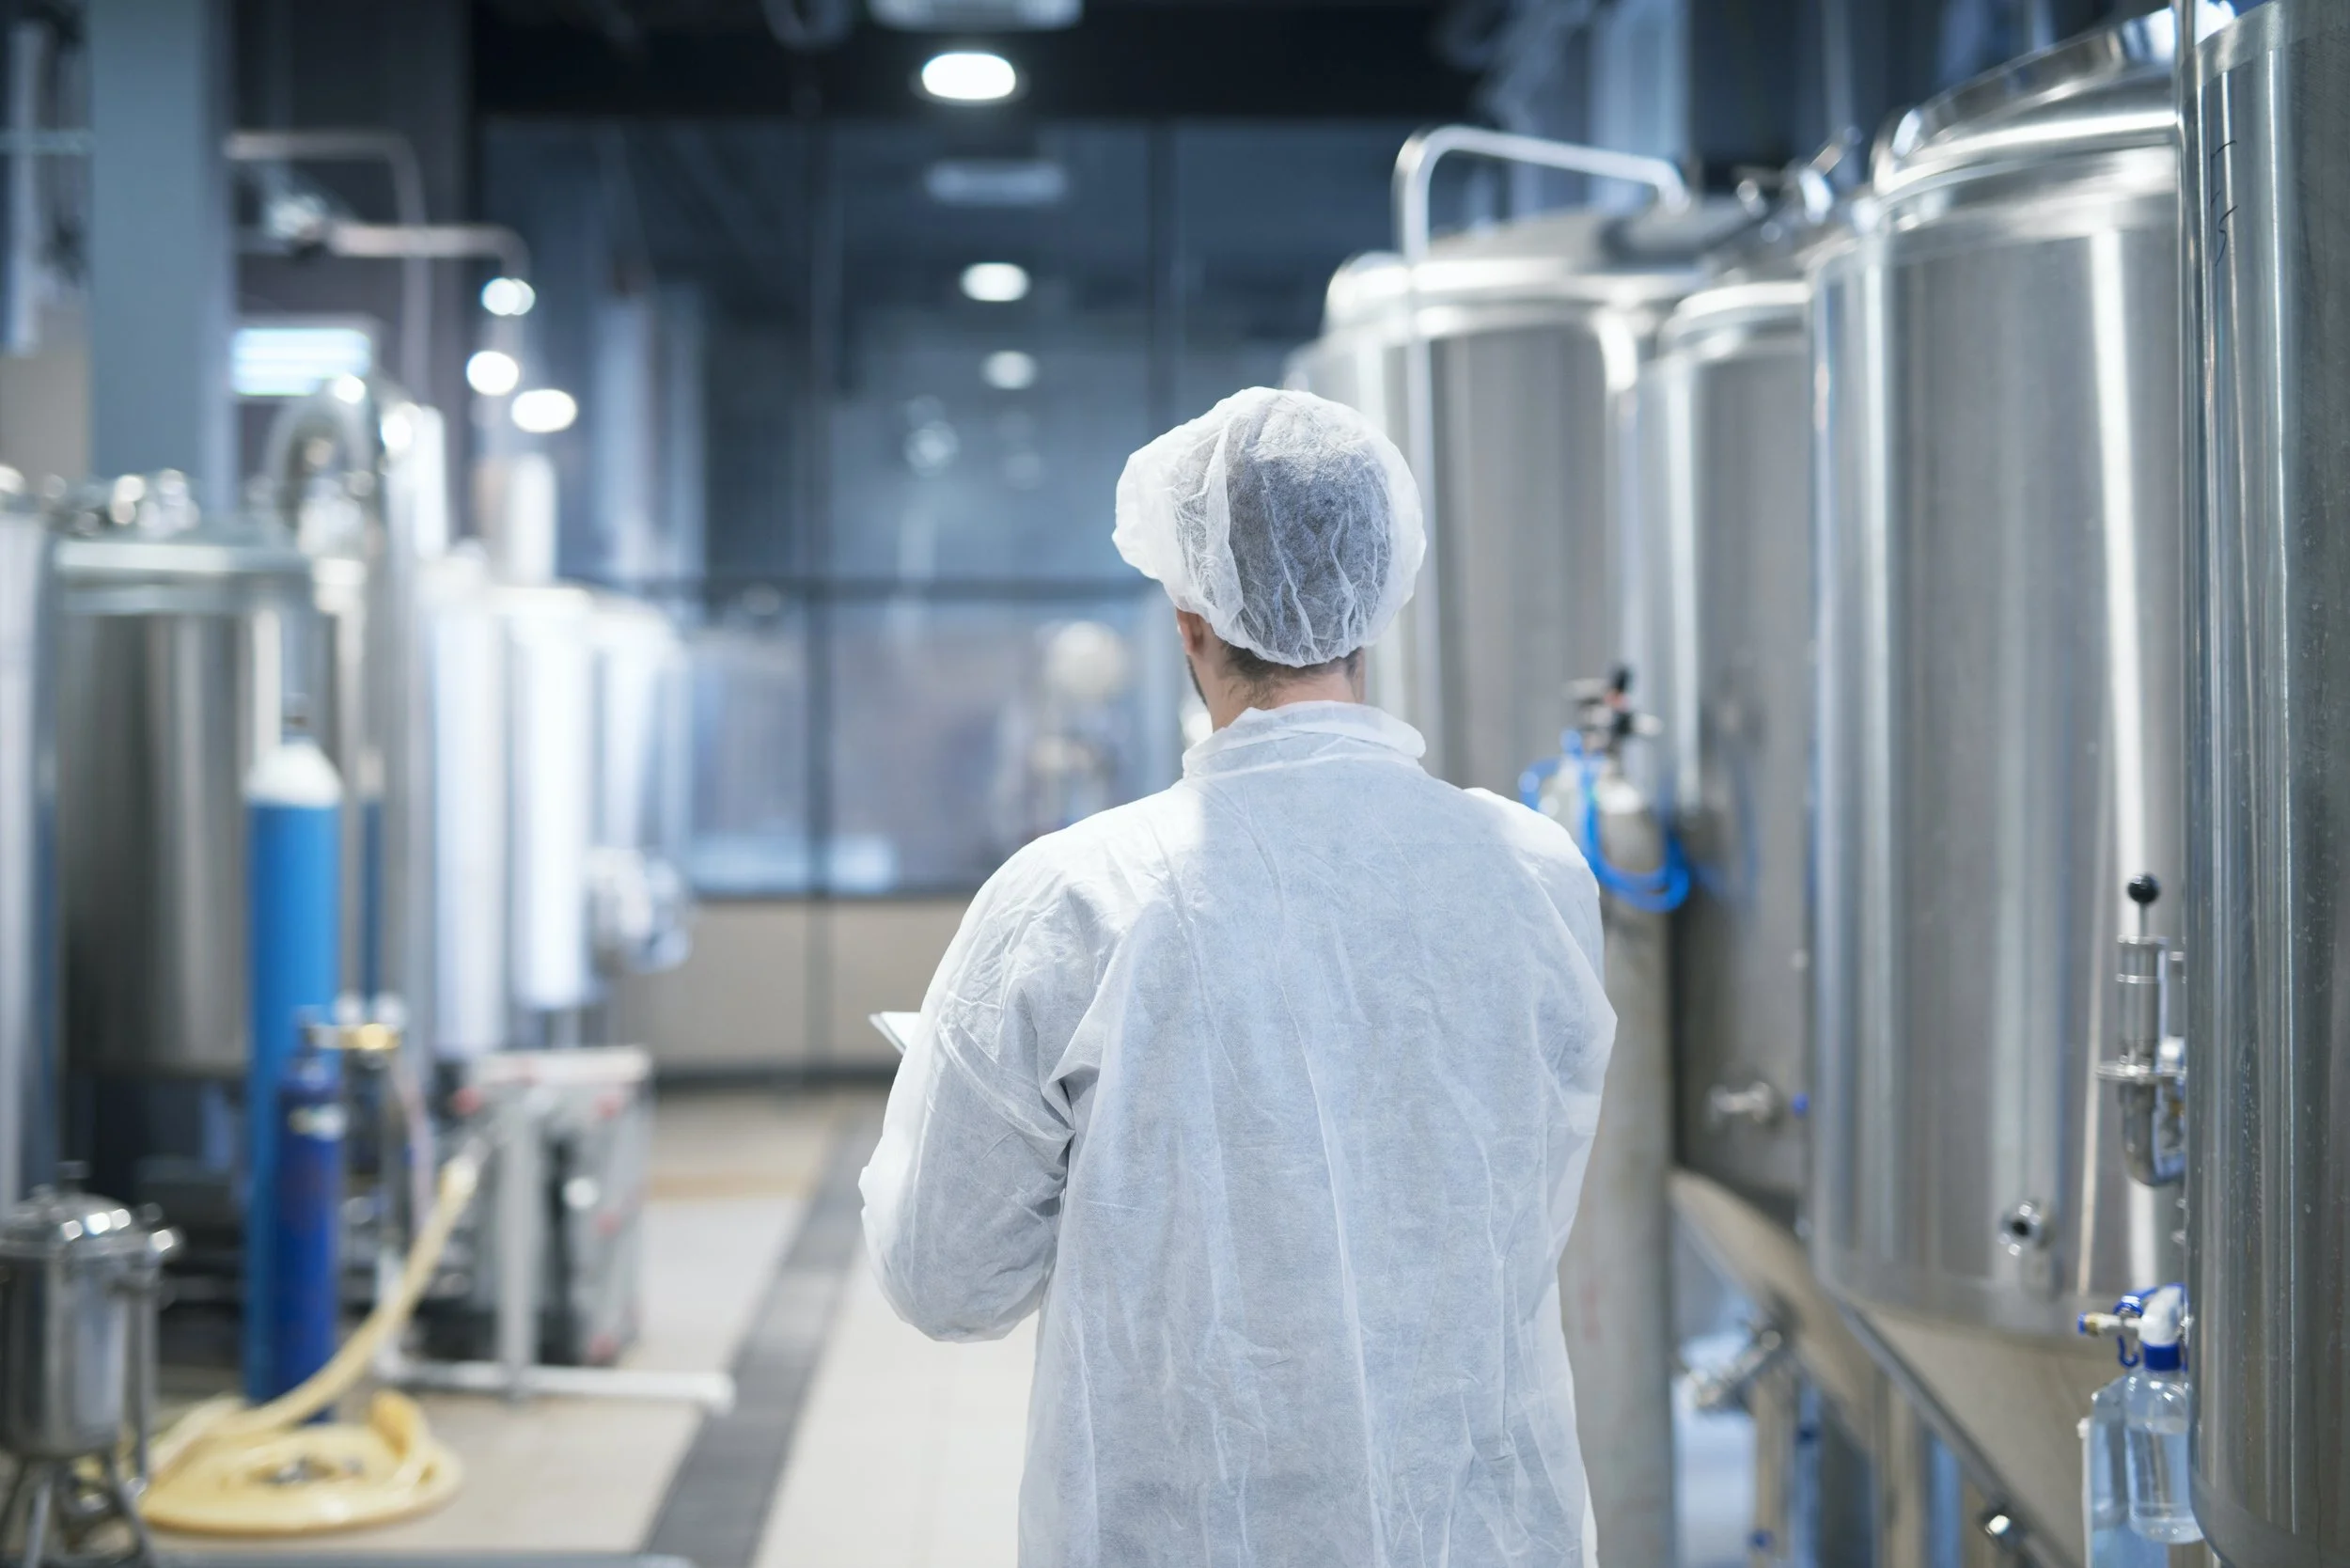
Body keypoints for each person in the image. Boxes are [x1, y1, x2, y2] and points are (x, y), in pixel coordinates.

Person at [859, 386, 1617, 1568]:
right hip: (1477, 1525)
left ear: (1188, 623)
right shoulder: (1533, 874)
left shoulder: (1078, 898)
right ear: (1374, 602)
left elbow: (948, 1279)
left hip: (1183, 1531)